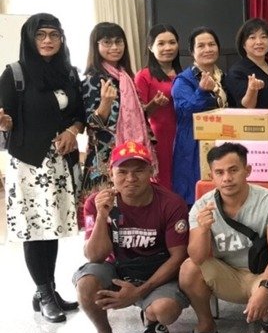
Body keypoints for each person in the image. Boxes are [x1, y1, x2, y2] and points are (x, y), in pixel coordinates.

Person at [0, 14, 85, 322]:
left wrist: (72, 132)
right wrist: (4, 122)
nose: (48, 40)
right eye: (40, 35)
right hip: (29, 164)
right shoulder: (14, 73)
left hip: (60, 164)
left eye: (53, 34)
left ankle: (48, 289)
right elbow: (5, 117)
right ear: (30, 39)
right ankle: (43, 293)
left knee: (51, 229)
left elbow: (79, 113)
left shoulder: (68, 73)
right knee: (34, 231)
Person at [75, 141, 190, 333]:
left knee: (165, 311)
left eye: (138, 171)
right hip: (116, 267)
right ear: (111, 172)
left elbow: (178, 256)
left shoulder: (171, 203)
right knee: (86, 284)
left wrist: (138, 292)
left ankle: (149, 314)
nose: (130, 178)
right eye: (123, 172)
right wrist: (101, 216)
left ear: (151, 171)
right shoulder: (96, 202)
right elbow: (94, 256)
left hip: (156, 269)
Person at [177, 143, 268, 333]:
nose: (227, 178)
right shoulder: (202, 206)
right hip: (229, 274)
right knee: (188, 269)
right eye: (219, 172)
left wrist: (264, 289)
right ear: (211, 175)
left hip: (264, 272)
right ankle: (206, 325)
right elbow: (197, 257)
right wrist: (203, 229)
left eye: (233, 170)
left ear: (247, 171)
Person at [81, 21, 156, 196]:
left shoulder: (126, 77)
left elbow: (134, 120)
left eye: (118, 41)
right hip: (105, 158)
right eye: (107, 42)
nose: (114, 47)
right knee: (104, 211)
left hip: (132, 155)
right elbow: (91, 125)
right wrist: (105, 104)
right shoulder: (93, 80)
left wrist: (152, 106)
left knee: (133, 208)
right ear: (96, 45)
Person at [172, 27, 228, 204]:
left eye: (212, 44)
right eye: (201, 46)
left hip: (221, 141)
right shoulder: (184, 80)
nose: (207, 49)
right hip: (193, 145)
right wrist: (202, 91)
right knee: (196, 196)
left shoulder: (223, 77)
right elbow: (186, 109)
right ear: (192, 52)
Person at [135, 24, 180, 191]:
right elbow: (138, 115)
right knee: (164, 184)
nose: (168, 48)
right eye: (161, 43)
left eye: (172, 42)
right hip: (160, 138)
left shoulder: (186, 74)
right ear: (150, 47)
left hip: (184, 136)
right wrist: (153, 104)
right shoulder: (144, 75)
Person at [225, 18, 268, 110]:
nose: (259, 42)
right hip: (253, 123)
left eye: (264, 37)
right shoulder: (237, 72)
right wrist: (252, 90)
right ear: (243, 44)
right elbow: (247, 106)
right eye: (252, 37)